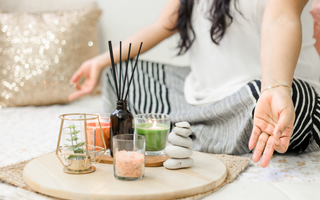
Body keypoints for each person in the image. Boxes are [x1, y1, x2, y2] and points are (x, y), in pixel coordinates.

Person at [69, 0, 320, 168]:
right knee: (121, 75)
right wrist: (101, 61)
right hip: (200, 97)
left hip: (264, 95)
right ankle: (206, 132)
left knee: (290, 103)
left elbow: (280, 19)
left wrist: (275, 87)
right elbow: (162, 24)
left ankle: (185, 132)